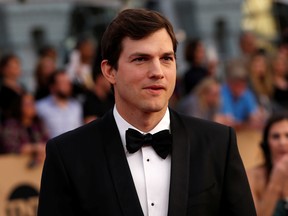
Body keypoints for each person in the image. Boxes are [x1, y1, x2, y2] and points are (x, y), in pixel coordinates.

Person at [38, 8, 256, 216]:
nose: (157, 72)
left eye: (166, 58)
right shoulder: (68, 156)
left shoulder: (218, 143)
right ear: (109, 71)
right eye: (141, 59)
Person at [247, 112, 288, 216]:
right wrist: (275, 183)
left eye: (287, 136)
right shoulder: (252, 176)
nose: (282, 142)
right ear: (266, 143)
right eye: (275, 136)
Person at [0, 93, 48, 163]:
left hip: (38, 165)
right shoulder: (11, 125)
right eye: (28, 104)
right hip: (13, 165)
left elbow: (47, 142)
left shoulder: (38, 124)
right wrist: (35, 148)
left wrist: (41, 151)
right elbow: (10, 148)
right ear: (19, 107)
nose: (32, 107)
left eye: (33, 103)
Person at [36, 69, 83, 138]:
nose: (67, 86)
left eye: (68, 83)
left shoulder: (76, 106)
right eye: (62, 83)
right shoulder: (40, 107)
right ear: (52, 87)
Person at [219, 61, 263, 130]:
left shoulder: (246, 92)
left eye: (243, 83)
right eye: (237, 83)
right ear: (229, 83)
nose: (241, 87)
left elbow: (255, 116)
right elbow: (228, 121)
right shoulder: (222, 92)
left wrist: (256, 117)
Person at [0, 54, 24, 123]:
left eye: (18, 65)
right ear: (3, 69)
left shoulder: (22, 87)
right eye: (12, 66)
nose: (17, 68)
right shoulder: (3, 91)